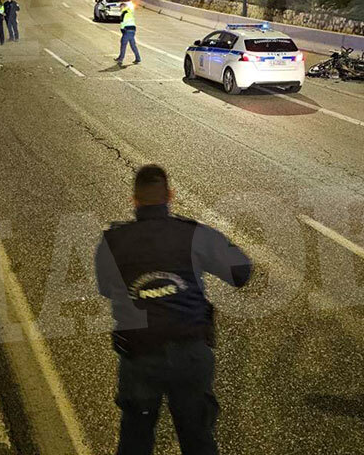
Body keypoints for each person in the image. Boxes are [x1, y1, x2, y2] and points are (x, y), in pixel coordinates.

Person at [95, 165, 252, 455]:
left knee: (135, 440)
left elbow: (106, 288)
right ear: (170, 196)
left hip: (139, 355)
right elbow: (242, 271)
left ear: (134, 200)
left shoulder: (112, 241)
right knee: (198, 439)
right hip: (190, 354)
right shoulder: (191, 234)